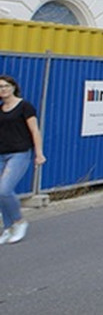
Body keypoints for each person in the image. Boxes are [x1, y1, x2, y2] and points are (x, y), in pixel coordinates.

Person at [0, 75, 46, 245]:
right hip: (1, 154)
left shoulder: (25, 107)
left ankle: (19, 222)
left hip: (19, 153)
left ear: (13, 87)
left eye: (5, 86)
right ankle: (7, 228)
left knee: (4, 190)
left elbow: (35, 131)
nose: (3, 89)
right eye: (0, 87)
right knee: (1, 194)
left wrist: (39, 153)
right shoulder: (0, 109)